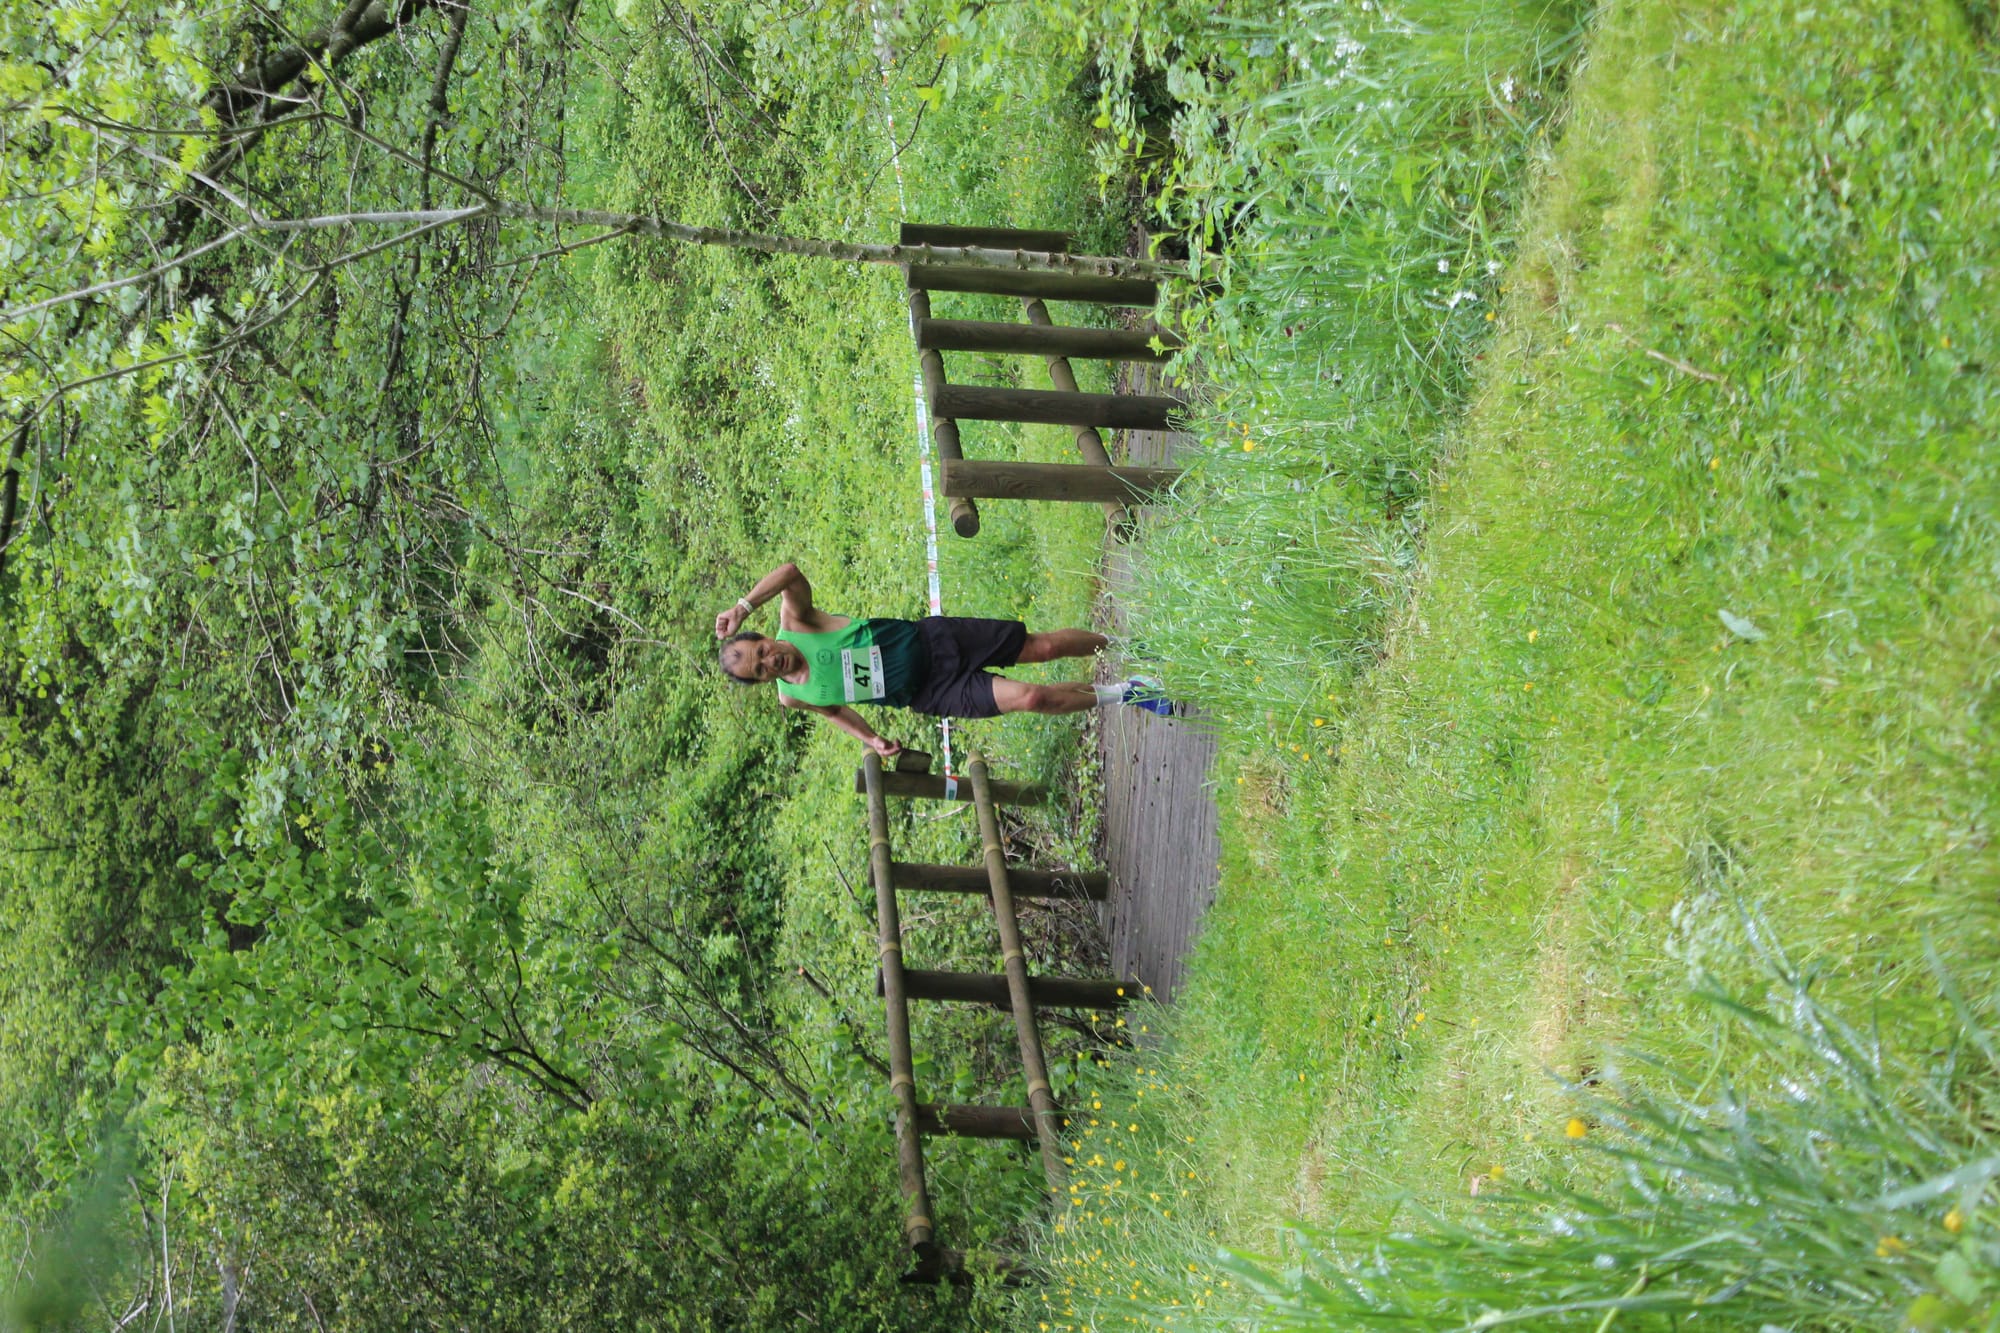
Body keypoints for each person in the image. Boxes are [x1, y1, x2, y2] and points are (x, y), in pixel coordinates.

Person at [714, 562, 1174, 758]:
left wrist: (743, 605)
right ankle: (1130, 692)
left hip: (936, 643)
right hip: (931, 692)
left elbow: (791, 573)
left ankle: (1124, 644)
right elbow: (834, 711)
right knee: (1030, 697)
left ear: (762, 638)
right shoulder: (793, 696)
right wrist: (872, 740)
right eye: (758, 670)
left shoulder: (797, 622)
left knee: (1044, 648)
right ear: (759, 681)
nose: (768, 662)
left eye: (760, 652)